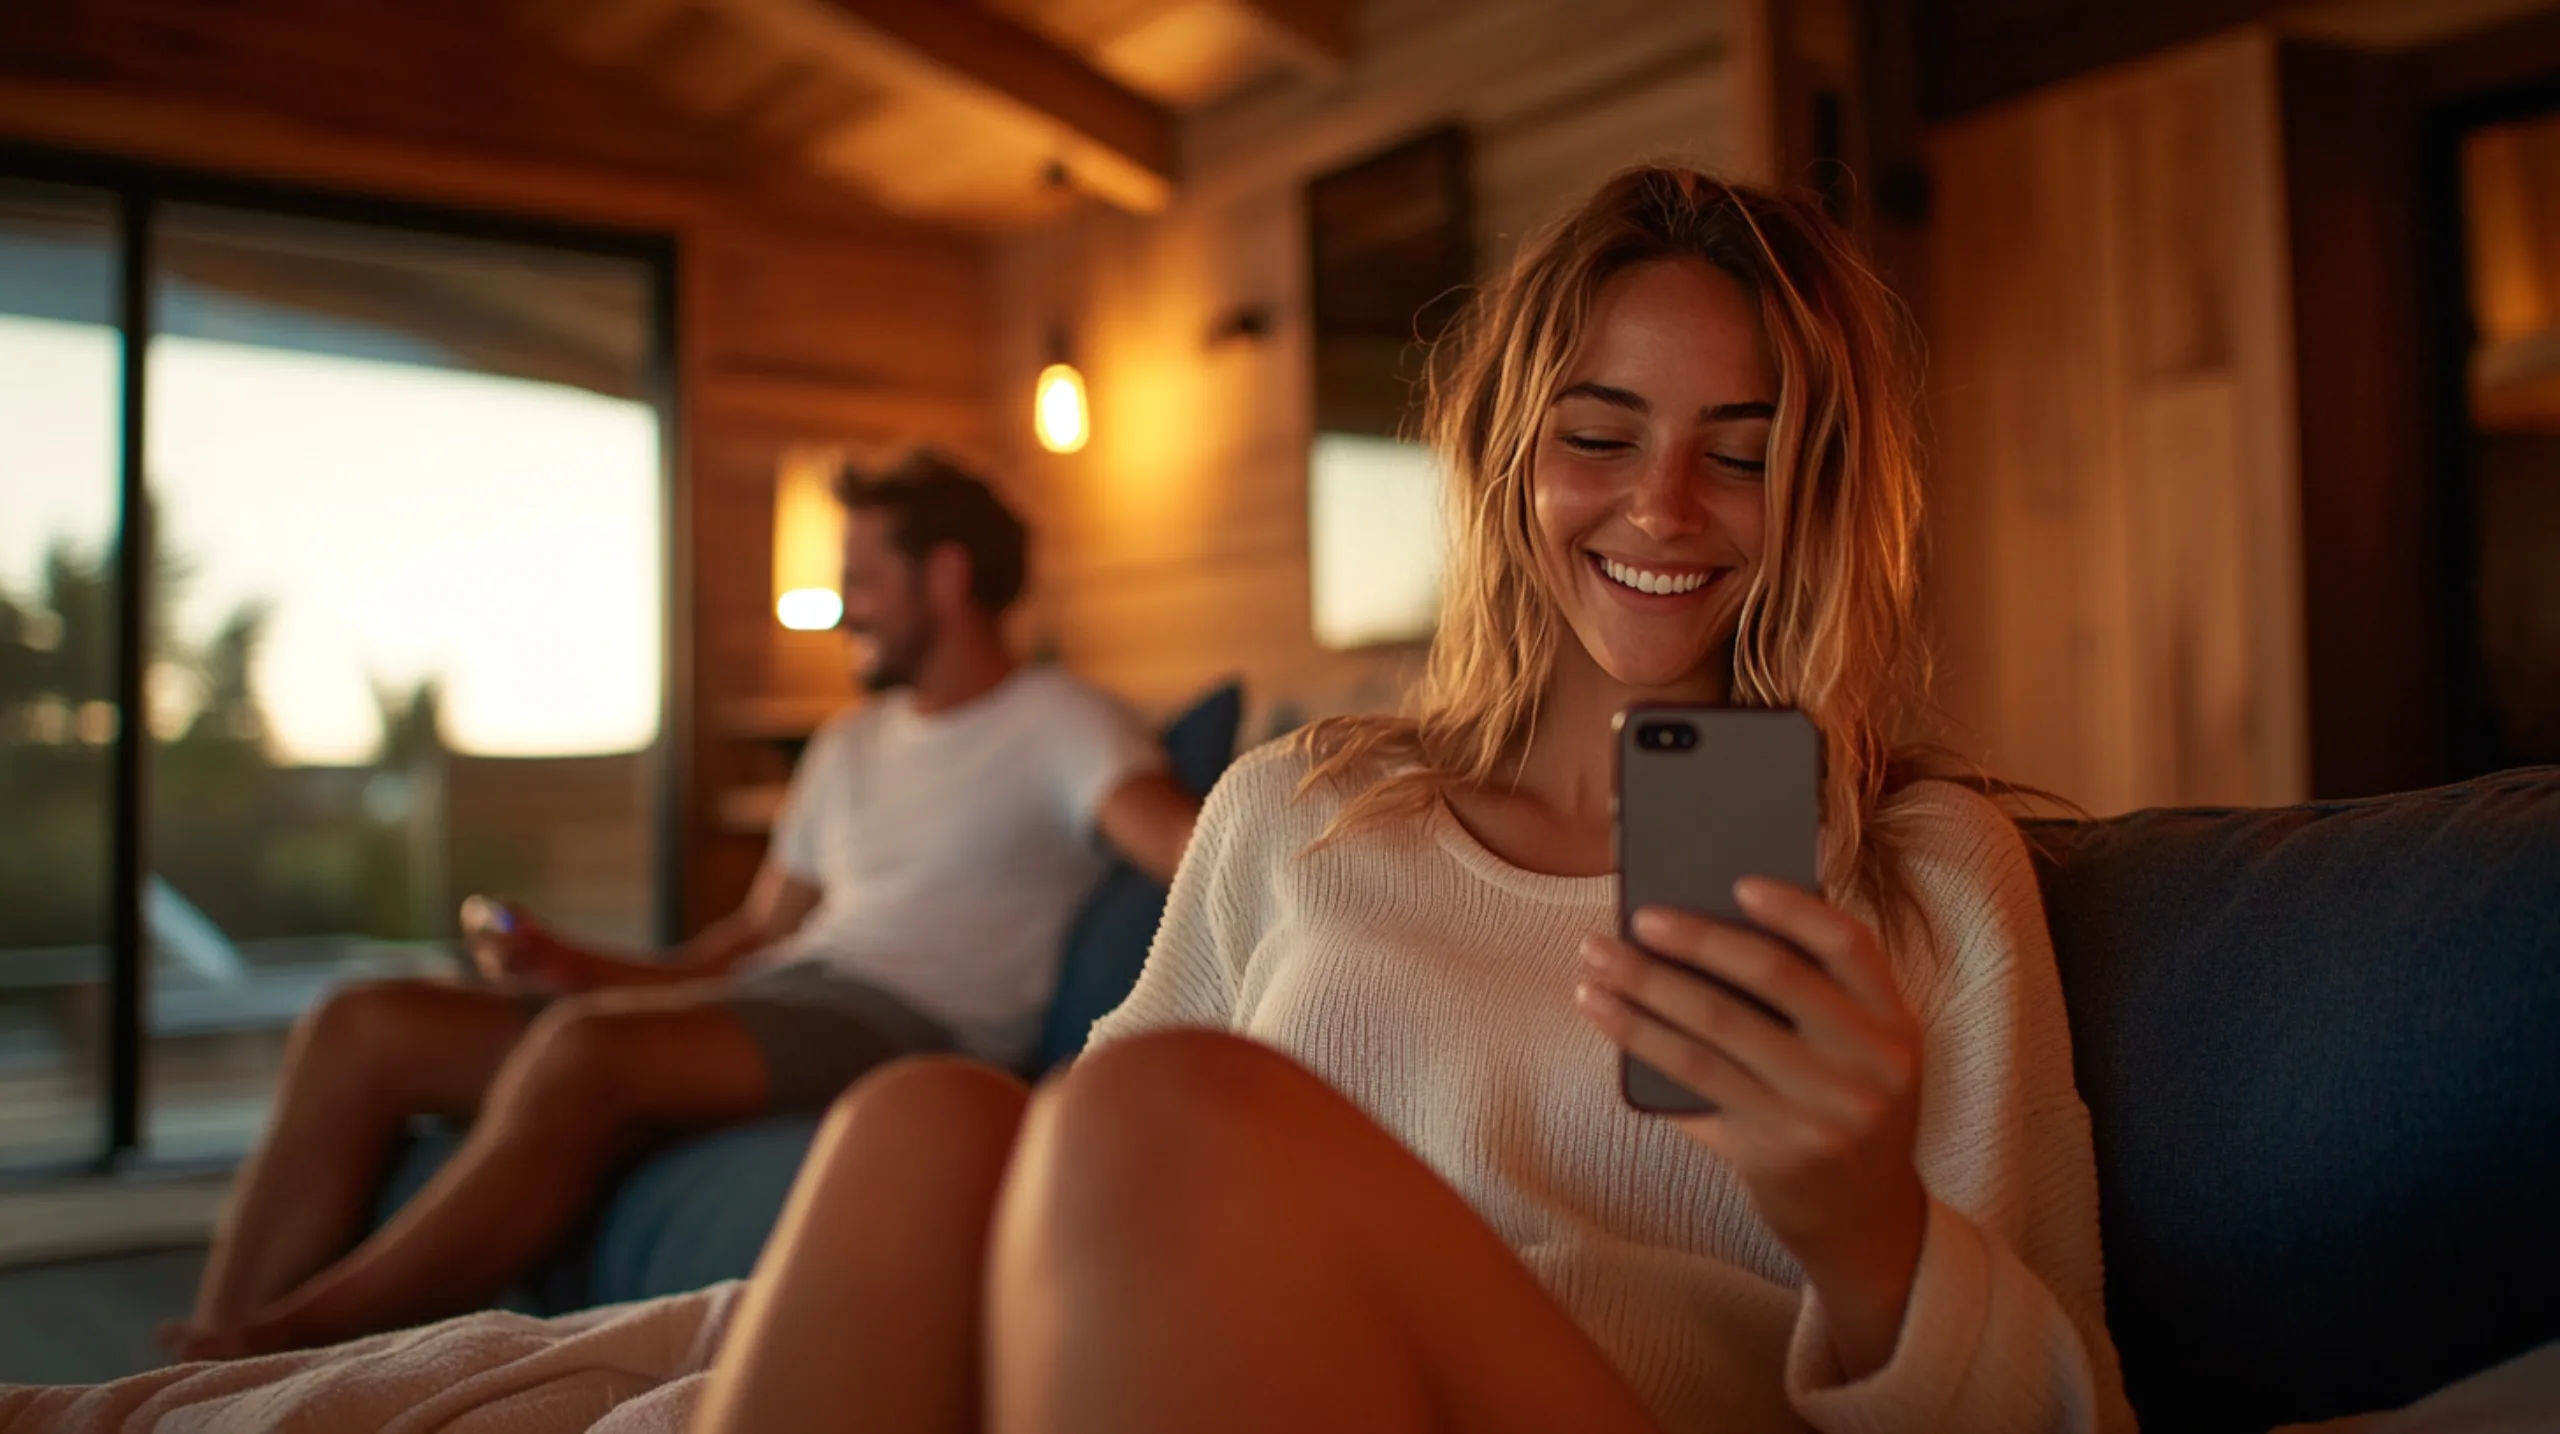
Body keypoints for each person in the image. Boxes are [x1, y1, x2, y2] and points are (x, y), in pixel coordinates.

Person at [688, 168, 2138, 1434]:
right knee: (927, 1122)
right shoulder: (1302, 804)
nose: (1665, 505)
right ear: (1509, 459)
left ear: (1819, 491)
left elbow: (2077, 1405)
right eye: (1600, 433)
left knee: (1170, 1104)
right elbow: (1069, 1204)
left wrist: (1870, 1232)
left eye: (1743, 454)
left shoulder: (1927, 873)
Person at [162, 452, 1200, 1361]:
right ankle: (200, 1372)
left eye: (861, 580)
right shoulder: (848, 745)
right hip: (783, 993)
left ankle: (280, 1348)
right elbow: (752, 941)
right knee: (364, 1024)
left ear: (947, 575)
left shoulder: (1061, 722)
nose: (844, 605)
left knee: (586, 1054)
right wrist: (583, 968)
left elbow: (1194, 847)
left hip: (899, 1027)